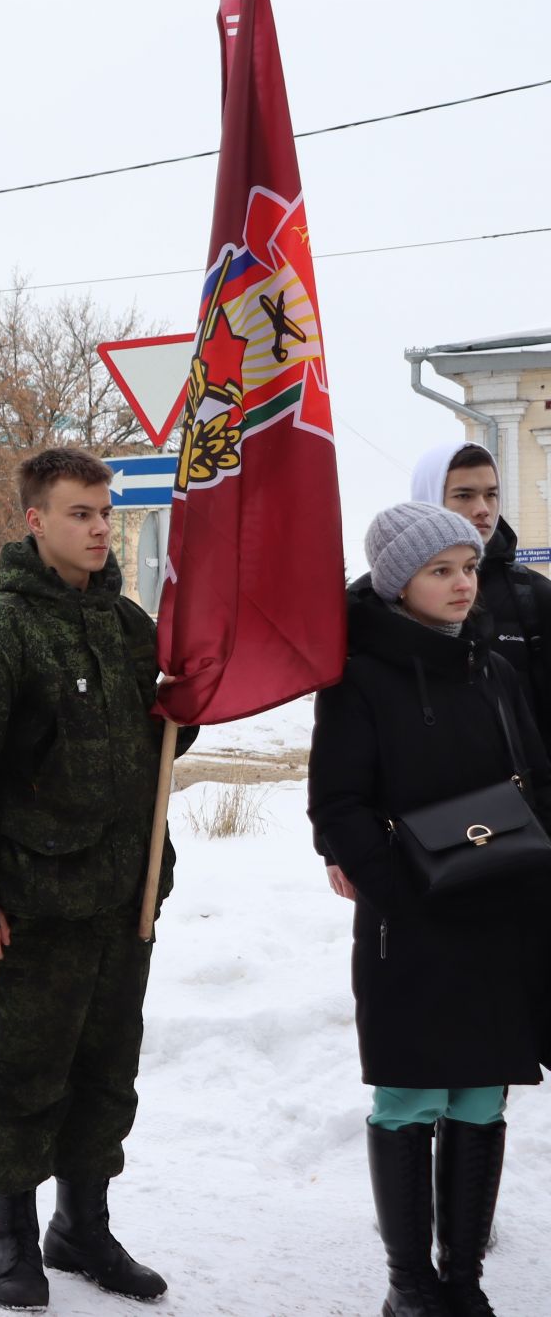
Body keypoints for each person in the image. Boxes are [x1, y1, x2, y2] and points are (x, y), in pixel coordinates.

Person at [0, 447, 189, 1311]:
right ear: (34, 520)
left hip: (126, 895)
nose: (95, 528)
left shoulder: (126, 626)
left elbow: (144, 752)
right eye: (77, 512)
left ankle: (83, 1224)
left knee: (106, 1067)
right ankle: (12, 1235)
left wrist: (182, 709)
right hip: (36, 904)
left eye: (102, 512)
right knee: (26, 1069)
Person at [310, 502, 549, 1317]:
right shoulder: (357, 676)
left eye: (468, 568)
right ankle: (410, 1285)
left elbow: (538, 783)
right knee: (411, 1095)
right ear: (397, 580)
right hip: (407, 923)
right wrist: (398, 891)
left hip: (499, 916)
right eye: (439, 569)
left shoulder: (494, 669)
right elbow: (336, 805)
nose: (459, 584)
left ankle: (464, 1279)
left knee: (482, 1096)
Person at [411, 440, 551, 733]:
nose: (483, 509)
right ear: (429, 499)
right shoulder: (386, 599)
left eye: (491, 494)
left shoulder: (535, 596)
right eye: (464, 495)